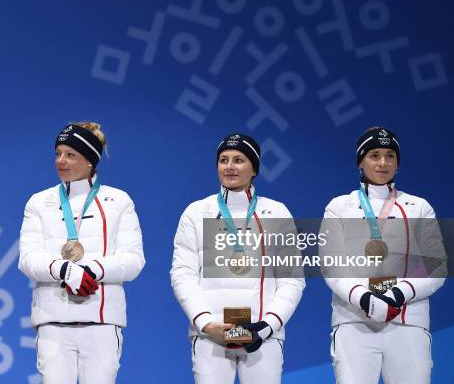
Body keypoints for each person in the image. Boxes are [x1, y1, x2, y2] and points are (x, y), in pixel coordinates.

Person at [171, 133, 305, 384]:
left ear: (254, 168)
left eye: (239, 160)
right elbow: (182, 274)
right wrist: (206, 324)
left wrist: (267, 326)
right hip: (210, 336)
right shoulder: (197, 211)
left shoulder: (276, 212)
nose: (230, 166)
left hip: (263, 336)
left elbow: (292, 280)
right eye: (224, 160)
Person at [18, 122, 145, 384]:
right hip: (53, 324)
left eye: (70, 154)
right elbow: (28, 258)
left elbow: (134, 260)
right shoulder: (39, 202)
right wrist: (66, 270)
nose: (60, 161)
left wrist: (92, 270)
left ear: (90, 160)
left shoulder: (119, 201)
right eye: (58, 154)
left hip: (102, 324)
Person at [321, 126, 446, 384]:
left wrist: (399, 293)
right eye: (374, 154)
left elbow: (435, 265)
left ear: (398, 163)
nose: (382, 162)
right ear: (360, 161)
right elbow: (331, 264)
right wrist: (364, 297)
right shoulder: (338, 207)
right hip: (353, 321)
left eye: (390, 155)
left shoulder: (419, 206)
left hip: (409, 321)